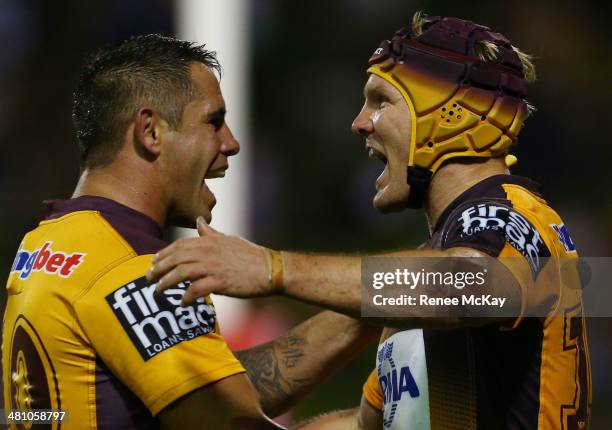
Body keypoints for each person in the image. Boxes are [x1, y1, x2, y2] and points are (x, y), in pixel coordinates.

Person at [149, 13, 592, 429]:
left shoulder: (512, 215)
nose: (360, 123)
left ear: (448, 117)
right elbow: (365, 423)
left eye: (381, 102)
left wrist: (273, 269)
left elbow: (471, 285)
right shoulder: (423, 278)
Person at [2, 34, 379, 429]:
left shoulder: (48, 242)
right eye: (213, 122)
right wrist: (376, 417)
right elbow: (232, 421)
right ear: (150, 132)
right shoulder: (138, 271)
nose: (231, 143)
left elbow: (219, 387)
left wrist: (375, 304)